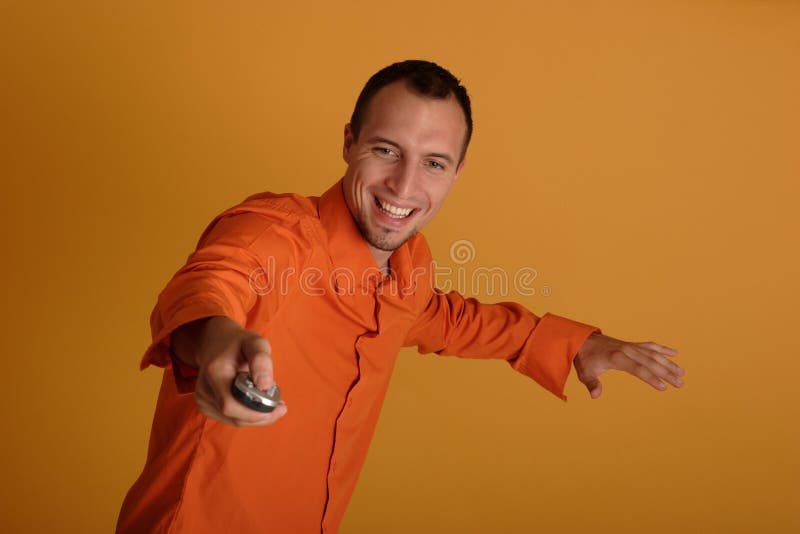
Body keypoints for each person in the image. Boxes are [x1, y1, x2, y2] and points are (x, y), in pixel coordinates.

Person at [117, 60, 684, 533]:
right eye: (386, 150)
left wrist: (575, 344)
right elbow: (213, 278)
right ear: (348, 142)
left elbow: (447, 318)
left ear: (456, 173)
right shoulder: (277, 232)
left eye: (433, 162)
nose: (405, 185)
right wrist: (216, 336)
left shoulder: (408, 269)